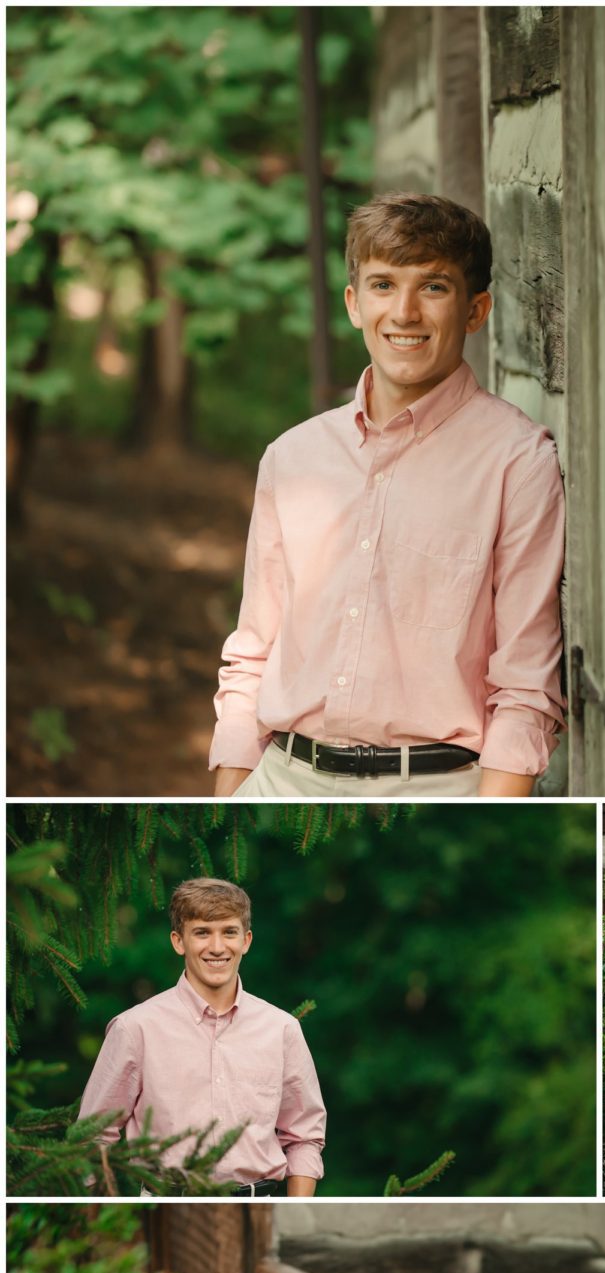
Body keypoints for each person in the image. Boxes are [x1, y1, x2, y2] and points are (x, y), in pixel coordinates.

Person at [210, 191, 566, 801]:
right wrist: (232, 800)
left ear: (475, 310)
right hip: (279, 781)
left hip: (441, 789)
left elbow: (527, 687)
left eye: (433, 287)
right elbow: (252, 655)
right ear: (354, 304)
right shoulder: (291, 459)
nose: (403, 313)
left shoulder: (518, 460)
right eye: (382, 285)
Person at [77, 878, 325, 1196]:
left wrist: (295, 1216)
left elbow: (304, 1136)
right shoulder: (135, 1028)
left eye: (229, 932)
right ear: (179, 941)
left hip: (259, 1213)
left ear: (246, 940)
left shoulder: (281, 1030)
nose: (218, 947)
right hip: (163, 1213)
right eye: (202, 933)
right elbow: (92, 1138)